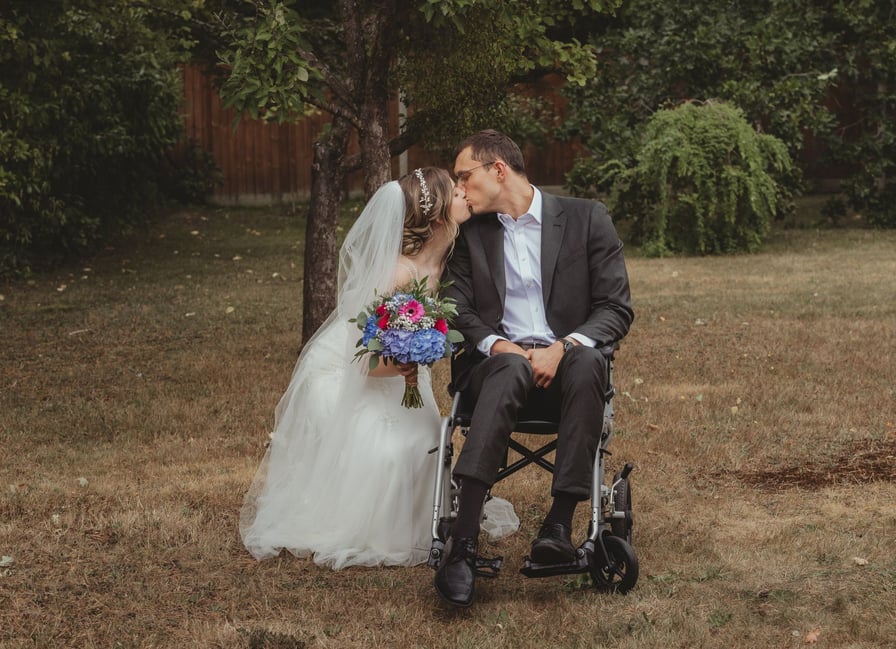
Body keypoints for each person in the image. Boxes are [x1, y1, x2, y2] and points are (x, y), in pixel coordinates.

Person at [434, 130, 634, 607]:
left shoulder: (586, 218)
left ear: (498, 170)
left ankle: (558, 527)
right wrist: (500, 345)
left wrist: (561, 347)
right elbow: (456, 309)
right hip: (495, 371)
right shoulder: (469, 233)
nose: (459, 189)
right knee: (509, 367)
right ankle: (463, 543)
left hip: (567, 371)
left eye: (464, 176)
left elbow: (615, 307)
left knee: (587, 359)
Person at [240, 167, 471, 569]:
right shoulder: (397, 274)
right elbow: (362, 361)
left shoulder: (450, 258)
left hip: (402, 375)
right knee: (396, 451)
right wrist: (405, 361)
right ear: (437, 217)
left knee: (427, 444)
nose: (465, 193)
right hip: (354, 371)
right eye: (456, 191)